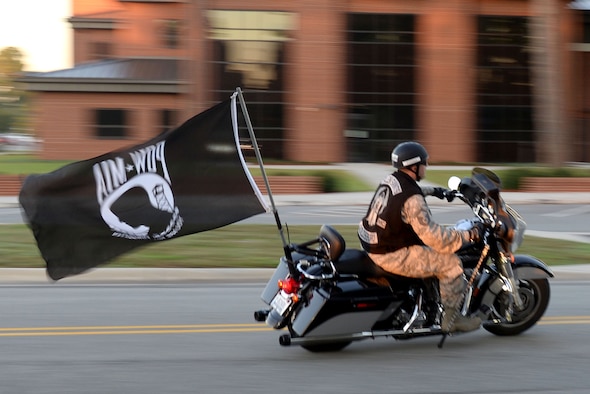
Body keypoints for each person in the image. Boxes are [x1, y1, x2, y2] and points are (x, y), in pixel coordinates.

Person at [357, 141, 483, 333]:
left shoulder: (391, 180)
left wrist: (436, 191)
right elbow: (435, 238)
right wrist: (469, 235)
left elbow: (409, 193)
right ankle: (452, 320)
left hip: (376, 243)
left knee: (430, 253)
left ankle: (430, 298)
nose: (426, 167)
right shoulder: (413, 200)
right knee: (451, 263)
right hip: (391, 253)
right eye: (424, 163)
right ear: (414, 166)